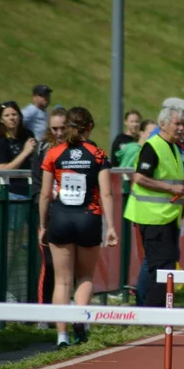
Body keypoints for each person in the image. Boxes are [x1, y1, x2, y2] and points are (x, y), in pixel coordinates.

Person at [38, 107, 118, 348]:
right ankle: (81, 320)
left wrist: (42, 225)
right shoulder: (98, 154)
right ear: (90, 127)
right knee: (84, 276)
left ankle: (61, 335)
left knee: (62, 281)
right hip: (88, 218)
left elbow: (44, 195)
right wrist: (111, 226)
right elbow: (106, 193)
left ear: (69, 126)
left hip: (60, 218)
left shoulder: (54, 153)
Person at [124, 105, 184, 307]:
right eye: (177, 124)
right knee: (162, 265)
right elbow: (139, 178)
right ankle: (154, 309)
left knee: (160, 261)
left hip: (168, 215)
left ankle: (144, 306)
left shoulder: (174, 147)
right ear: (163, 124)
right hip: (152, 215)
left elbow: (174, 179)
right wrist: (170, 189)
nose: (182, 128)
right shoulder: (153, 146)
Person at [33, 107, 68, 308]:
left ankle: (64, 311)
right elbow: (37, 184)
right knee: (50, 264)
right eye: (54, 129)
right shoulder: (42, 149)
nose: (59, 133)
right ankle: (44, 313)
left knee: (68, 267)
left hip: (72, 213)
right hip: (49, 213)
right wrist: (43, 209)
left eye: (62, 128)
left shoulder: (78, 149)